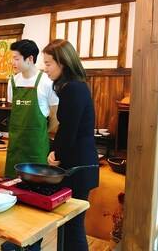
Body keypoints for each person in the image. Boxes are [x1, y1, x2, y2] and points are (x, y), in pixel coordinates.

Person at [44, 39, 99, 250]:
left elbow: (69, 130)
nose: (46, 68)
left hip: (79, 166)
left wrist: (56, 154)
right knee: (68, 225)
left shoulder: (73, 88)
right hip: (78, 164)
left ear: (63, 63)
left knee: (73, 226)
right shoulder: (73, 86)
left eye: (49, 63)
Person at [4, 39, 59, 178]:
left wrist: (40, 131)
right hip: (15, 146)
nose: (13, 62)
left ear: (30, 59)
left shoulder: (46, 82)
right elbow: (15, 112)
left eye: (16, 58)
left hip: (37, 147)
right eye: (12, 58)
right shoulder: (12, 82)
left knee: (37, 185)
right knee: (12, 185)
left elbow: (56, 116)